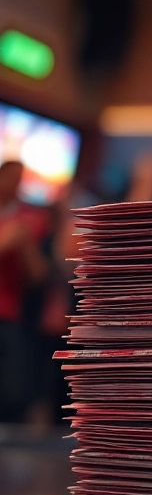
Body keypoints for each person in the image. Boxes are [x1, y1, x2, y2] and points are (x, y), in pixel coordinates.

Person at [0, 161, 49, 423]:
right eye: (10, 177)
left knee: (11, 393)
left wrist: (25, 244)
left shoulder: (29, 220)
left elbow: (39, 275)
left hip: (11, 314)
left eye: (20, 179)